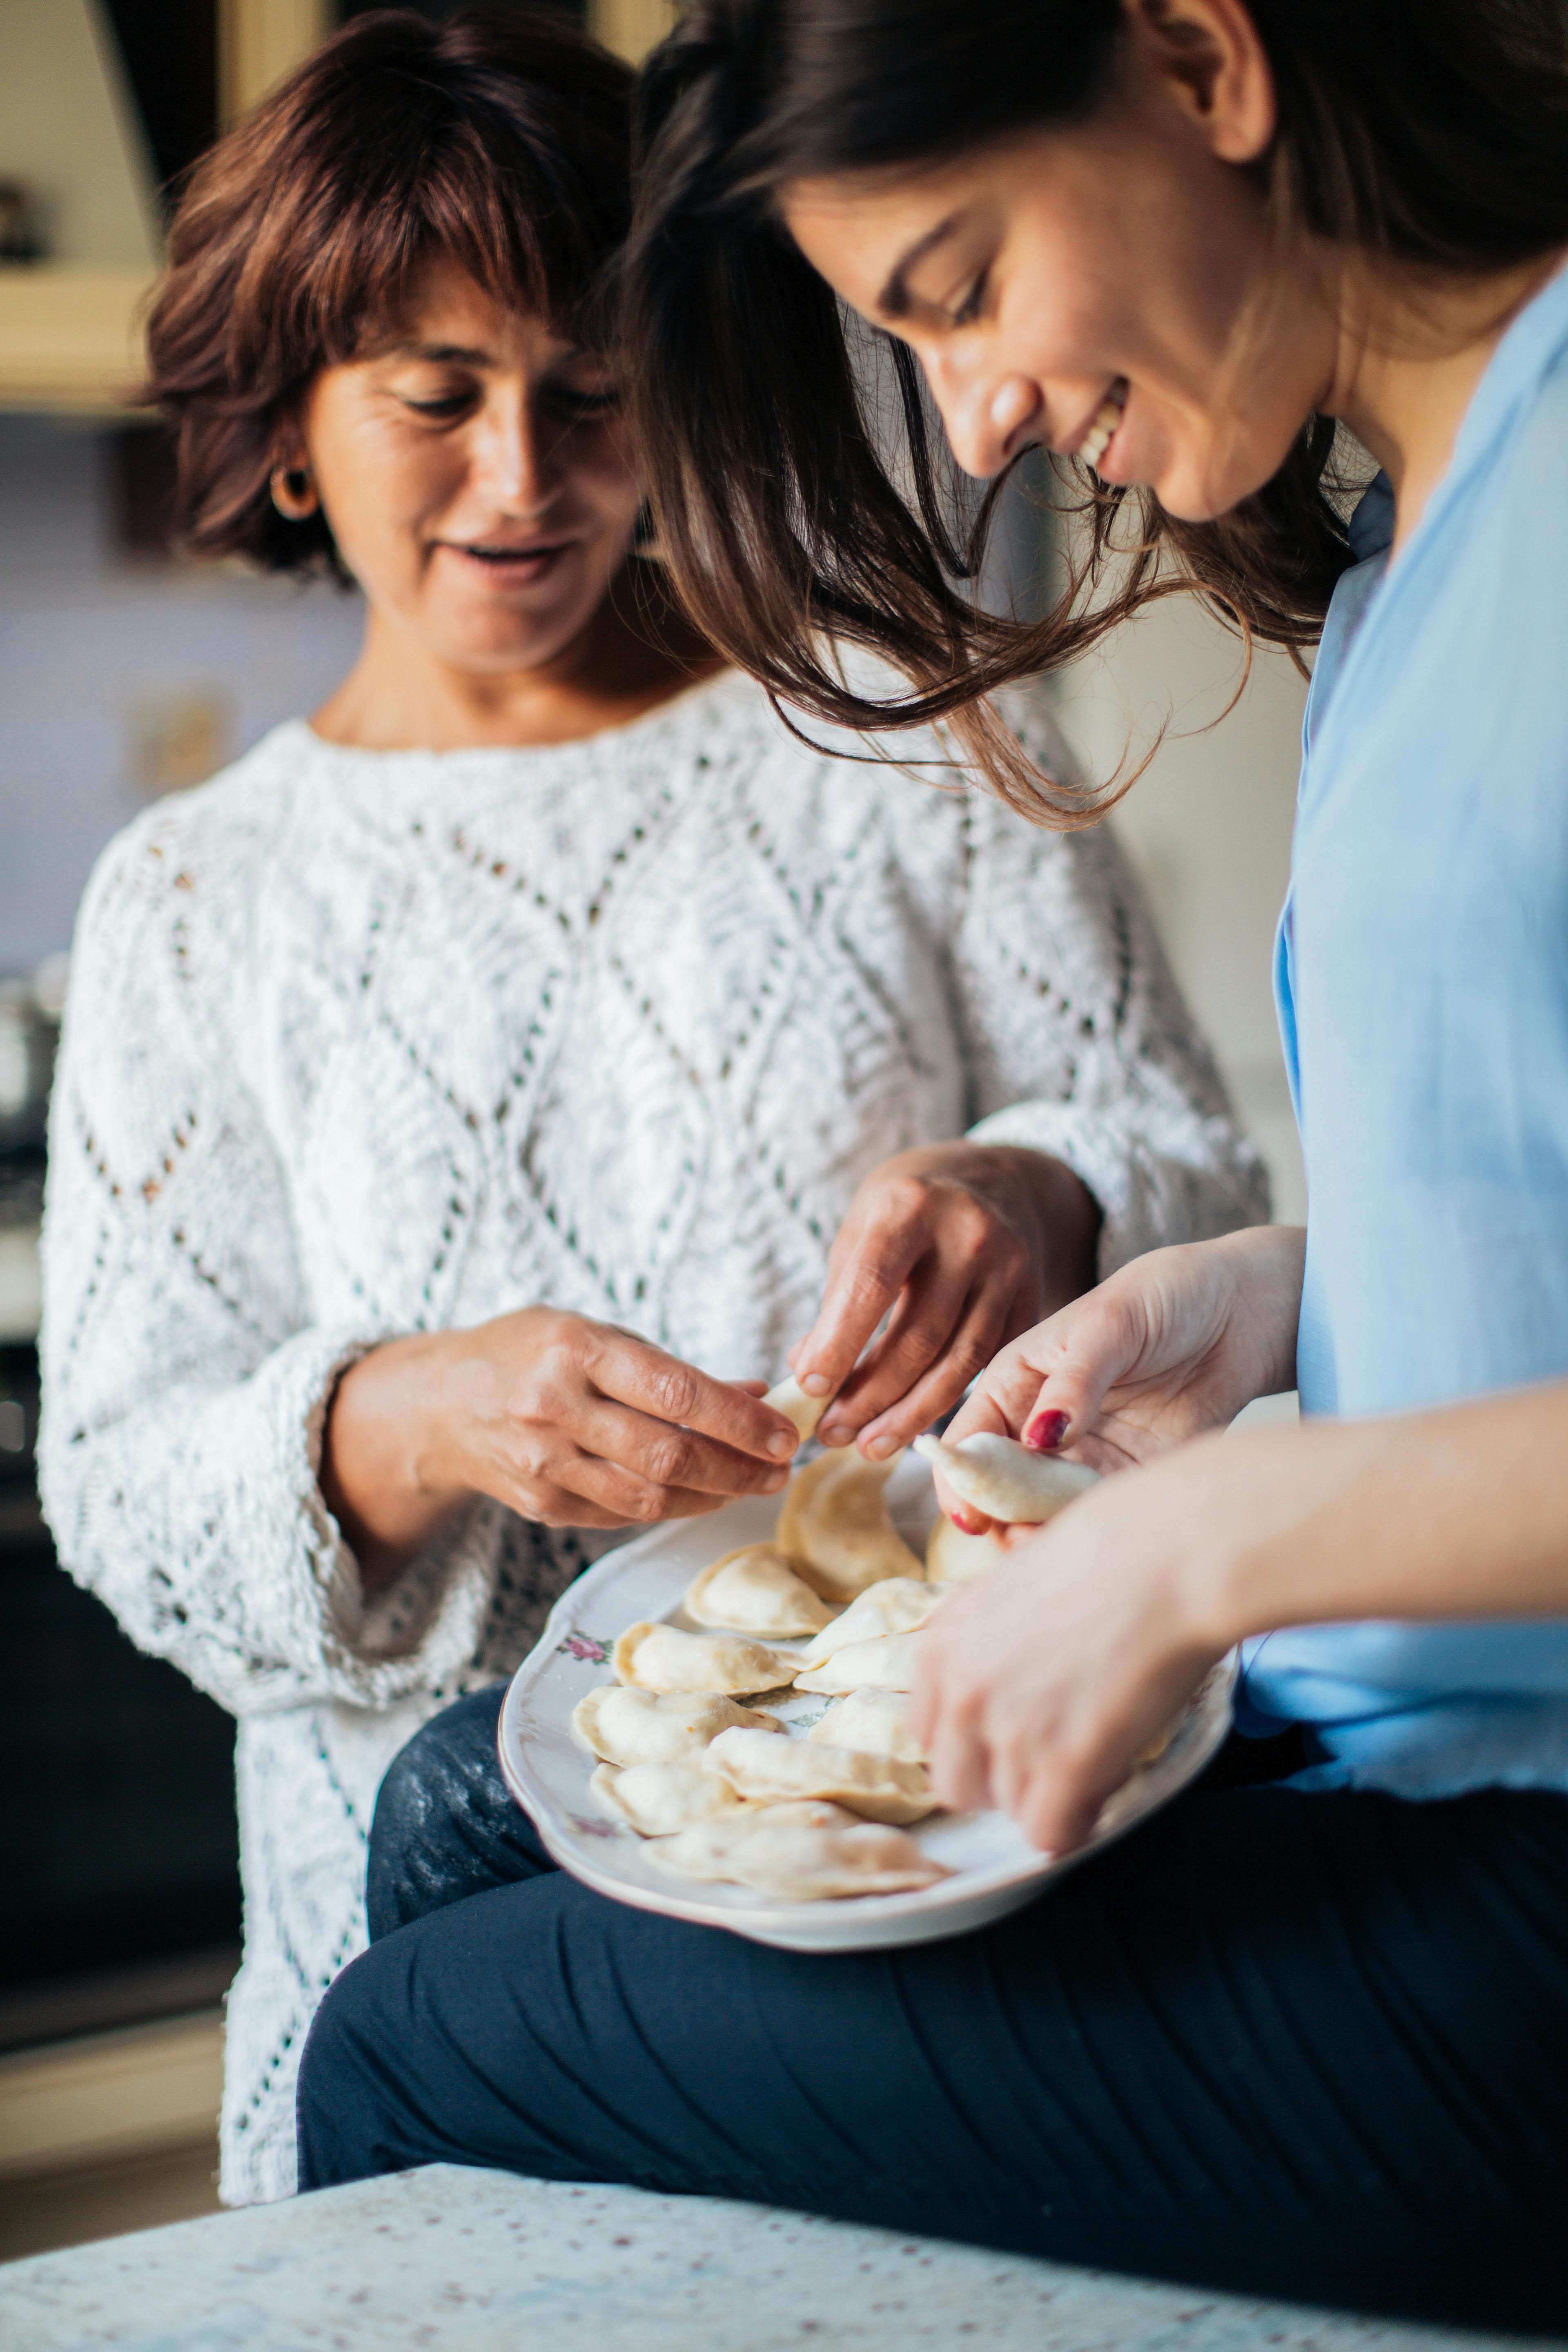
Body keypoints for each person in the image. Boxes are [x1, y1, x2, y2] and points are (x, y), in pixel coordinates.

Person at [294, 0, 1568, 2329]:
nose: (979, 417)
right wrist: (1293, 1294)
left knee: (403, 2040)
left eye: (962, 286)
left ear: (1202, 61)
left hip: (1516, 1877)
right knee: (463, 1805)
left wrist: (1217, 1537)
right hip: (1392, 1746)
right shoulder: (1411, 555)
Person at [35, 7, 1260, 2210]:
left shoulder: (903, 729)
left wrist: (1042, 1192)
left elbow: (1191, 1163)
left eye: (593, 393)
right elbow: (122, 1486)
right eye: (439, 397)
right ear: (296, 431)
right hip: (407, 1959)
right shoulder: (199, 895)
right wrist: (402, 1425)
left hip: (929, 1886)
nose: (527, 477)